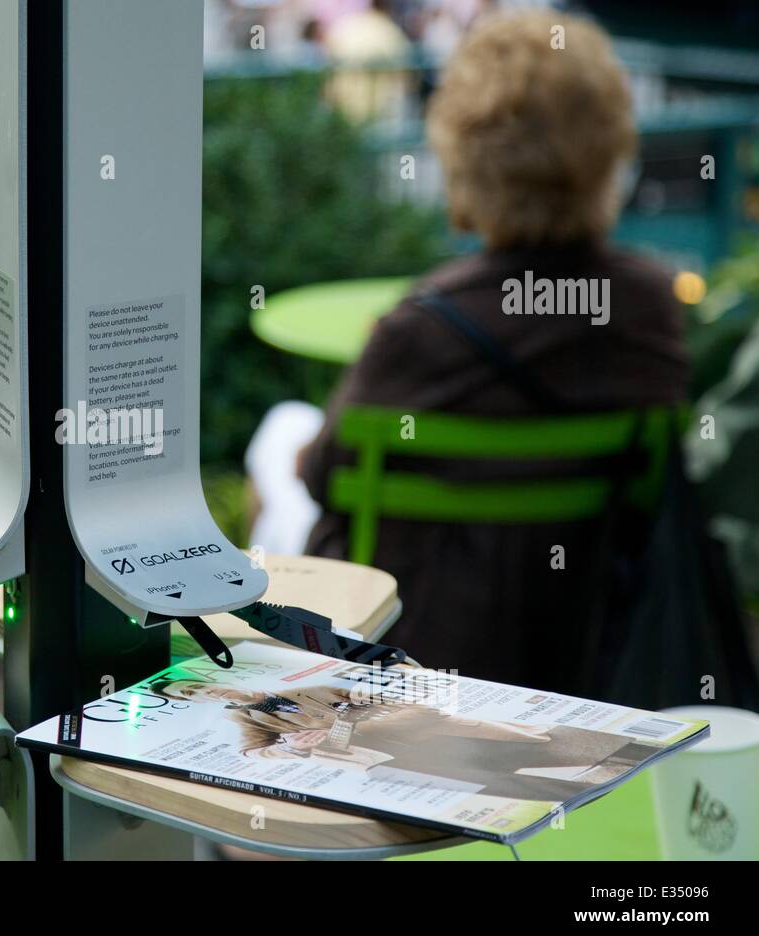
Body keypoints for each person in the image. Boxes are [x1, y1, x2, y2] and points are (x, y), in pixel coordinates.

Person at [295, 11, 689, 696]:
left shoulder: (414, 332)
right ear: (608, 150)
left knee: (282, 436)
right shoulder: (651, 309)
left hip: (413, 656)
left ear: (465, 159)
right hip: (584, 655)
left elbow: (322, 477)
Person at [150, 673, 652, 802]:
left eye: (202, 683)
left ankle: (594, 759)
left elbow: (370, 699)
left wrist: (340, 724)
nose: (209, 691)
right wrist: (288, 745)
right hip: (395, 747)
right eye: (197, 694)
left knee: (536, 743)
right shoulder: (252, 719)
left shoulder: (305, 686)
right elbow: (253, 751)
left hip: (414, 723)